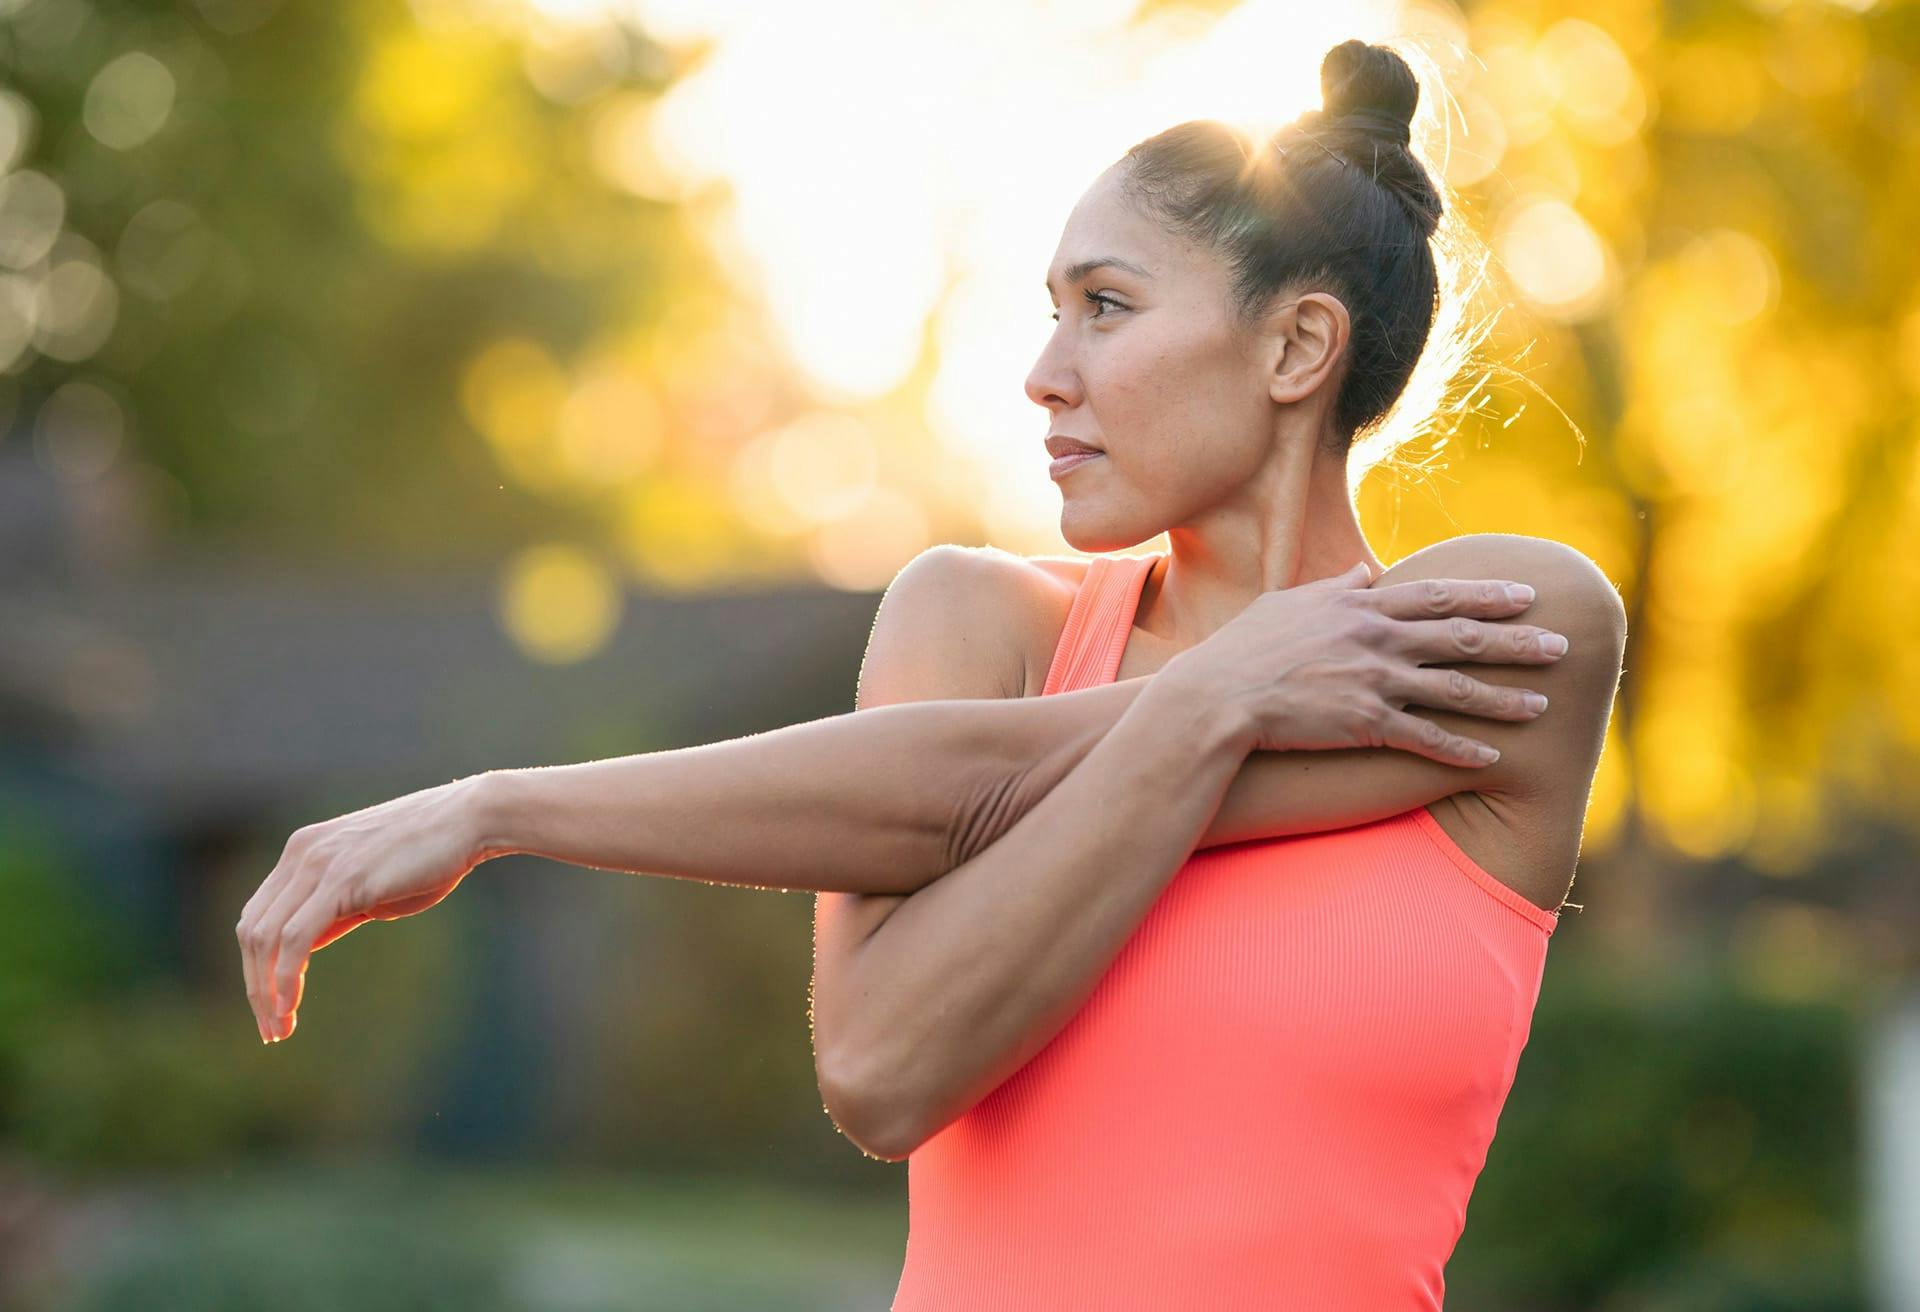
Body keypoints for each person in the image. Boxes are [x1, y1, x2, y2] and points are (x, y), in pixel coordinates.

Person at [236, 36, 1627, 1310]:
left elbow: (975, 787)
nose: (1041, 372)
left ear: (1295, 345)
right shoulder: (977, 623)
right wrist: (494, 809)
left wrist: (1218, 696)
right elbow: (884, 1074)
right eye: (1050, 310)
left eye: (1105, 307)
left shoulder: (1509, 636)